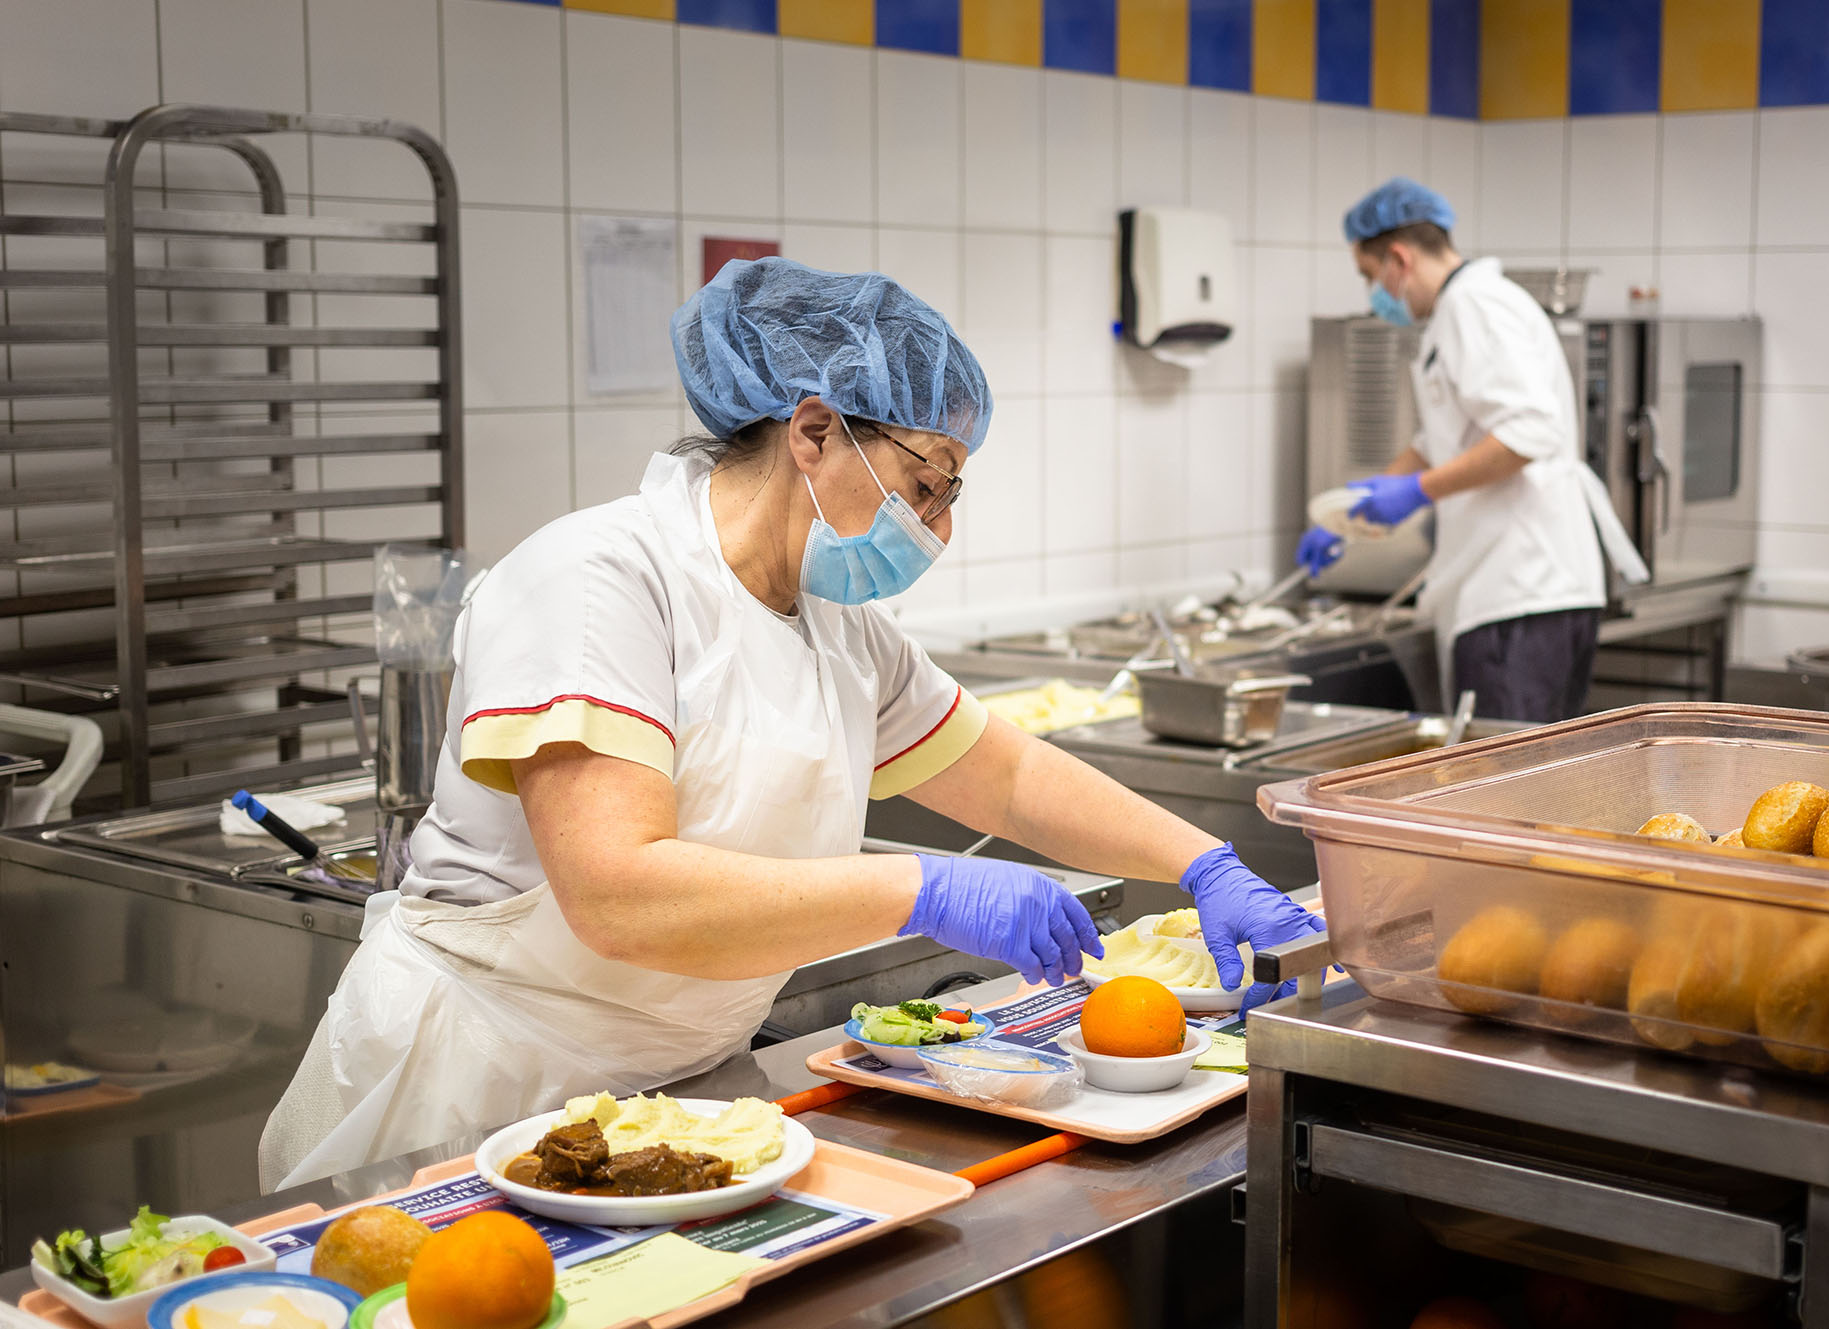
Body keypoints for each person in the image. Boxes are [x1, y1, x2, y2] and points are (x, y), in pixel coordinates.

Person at [259, 259, 1323, 1190]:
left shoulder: (836, 626)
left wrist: (1204, 864)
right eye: (924, 483)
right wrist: (926, 889)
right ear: (812, 430)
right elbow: (617, 893)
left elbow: (999, 776)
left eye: (951, 492)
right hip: (476, 1092)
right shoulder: (600, 578)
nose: (939, 528)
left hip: (667, 1106)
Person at [1296, 179, 1648, 724]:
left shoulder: (1474, 306)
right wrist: (1351, 512)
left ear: (1398, 258)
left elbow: (1529, 431)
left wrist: (1415, 492)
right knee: (1521, 792)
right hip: (1526, 594)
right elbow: (1440, 439)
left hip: (1518, 593)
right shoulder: (1464, 310)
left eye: (1370, 277)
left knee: (1503, 795)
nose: (1375, 294)